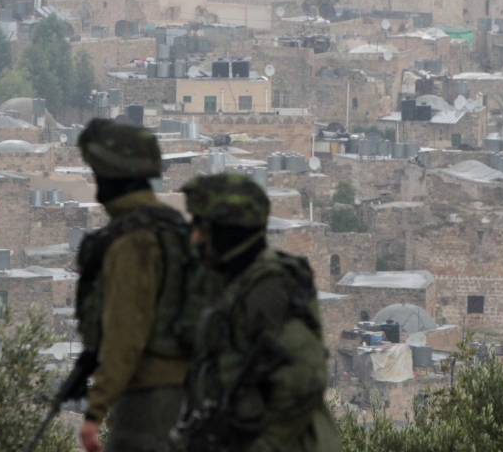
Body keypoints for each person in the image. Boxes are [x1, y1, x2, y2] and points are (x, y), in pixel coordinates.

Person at [177, 173, 341, 452]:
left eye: (201, 227)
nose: (194, 238)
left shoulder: (268, 289)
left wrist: (266, 445)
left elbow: (307, 375)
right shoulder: (232, 283)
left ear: (226, 231)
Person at [72, 119, 197, 452]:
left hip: (150, 396)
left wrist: (95, 410)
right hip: (192, 391)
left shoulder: (132, 242)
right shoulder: (175, 229)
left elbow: (126, 332)